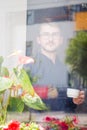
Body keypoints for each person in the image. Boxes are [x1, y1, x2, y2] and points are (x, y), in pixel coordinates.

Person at [24, 22, 85, 112]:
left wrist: (74, 100)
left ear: (60, 40)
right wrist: (47, 94)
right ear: (38, 39)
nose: (50, 39)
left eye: (55, 34)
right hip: (38, 122)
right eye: (46, 34)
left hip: (64, 121)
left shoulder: (65, 68)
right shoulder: (30, 65)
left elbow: (68, 100)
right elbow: (24, 95)